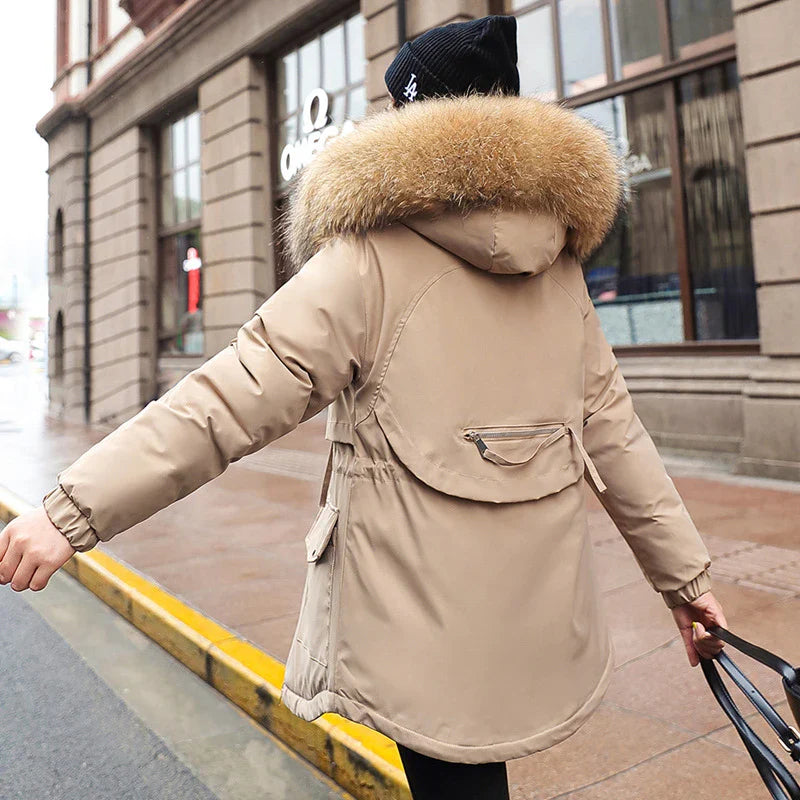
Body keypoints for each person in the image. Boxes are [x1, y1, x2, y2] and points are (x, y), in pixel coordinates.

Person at [0, 14, 727, 800]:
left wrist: (71, 511)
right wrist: (687, 584)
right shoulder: (560, 266)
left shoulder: (369, 257)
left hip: (417, 623)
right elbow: (617, 433)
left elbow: (230, 398)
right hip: (533, 616)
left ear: (417, 121)